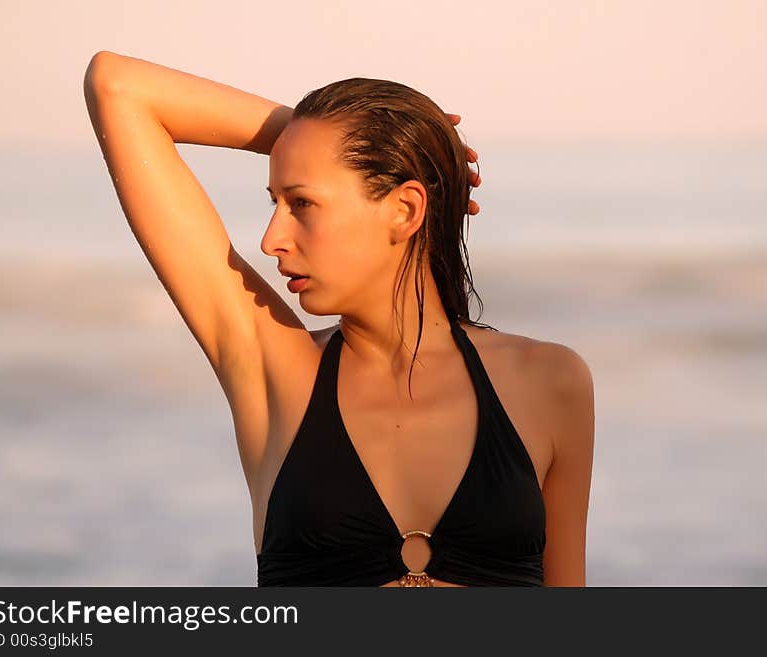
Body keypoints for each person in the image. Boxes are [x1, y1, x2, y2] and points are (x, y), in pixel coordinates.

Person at [83, 51, 595, 587]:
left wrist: (387, 150)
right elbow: (118, 86)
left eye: (301, 202)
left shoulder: (550, 383)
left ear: (404, 210)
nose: (271, 239)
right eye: (275, 203)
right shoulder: (277, 374)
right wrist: (322, 140)